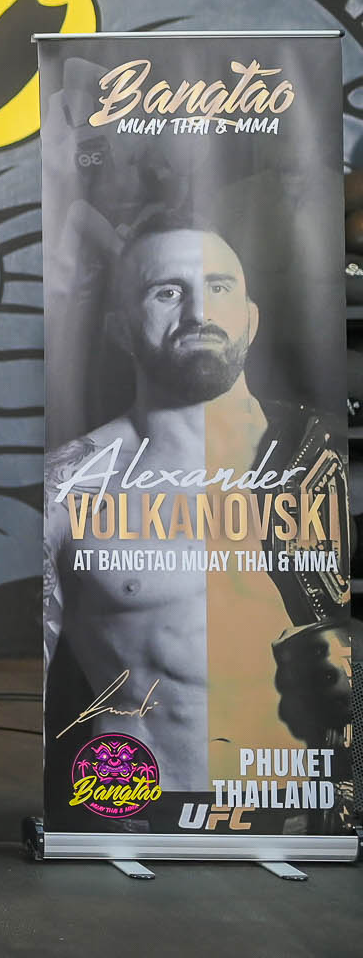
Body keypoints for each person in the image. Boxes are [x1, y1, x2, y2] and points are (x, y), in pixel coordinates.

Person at [43, 217, 351, 815]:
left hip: (301, 814)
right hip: (136, 813)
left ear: (250, 320)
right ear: (120, 329)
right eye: (167, 291)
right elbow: (35, 678)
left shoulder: (317, 459)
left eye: (219, 287)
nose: (198, 312)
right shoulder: (70, 484)